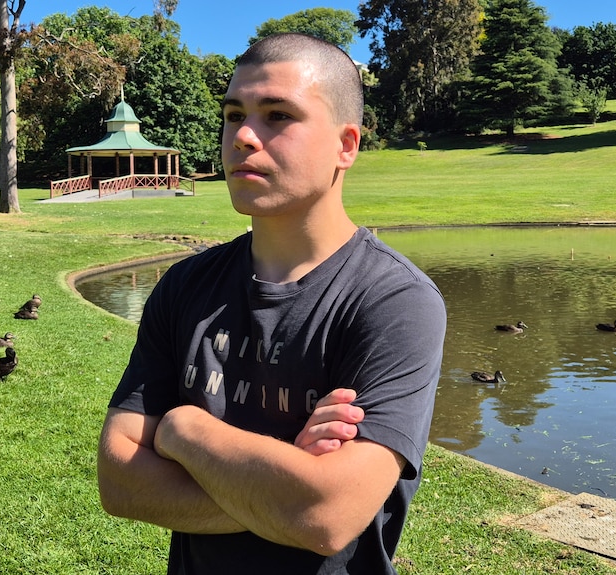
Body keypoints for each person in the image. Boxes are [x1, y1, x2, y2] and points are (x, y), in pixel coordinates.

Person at [97, 32, 447, 574]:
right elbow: (119, 481)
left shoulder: (394, 302)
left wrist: (184, 430)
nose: (243, 136)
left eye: (278, 115)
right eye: (234, 113)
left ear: (345, 145)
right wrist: (284, 484)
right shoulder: (185, 285)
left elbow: (326, 518)